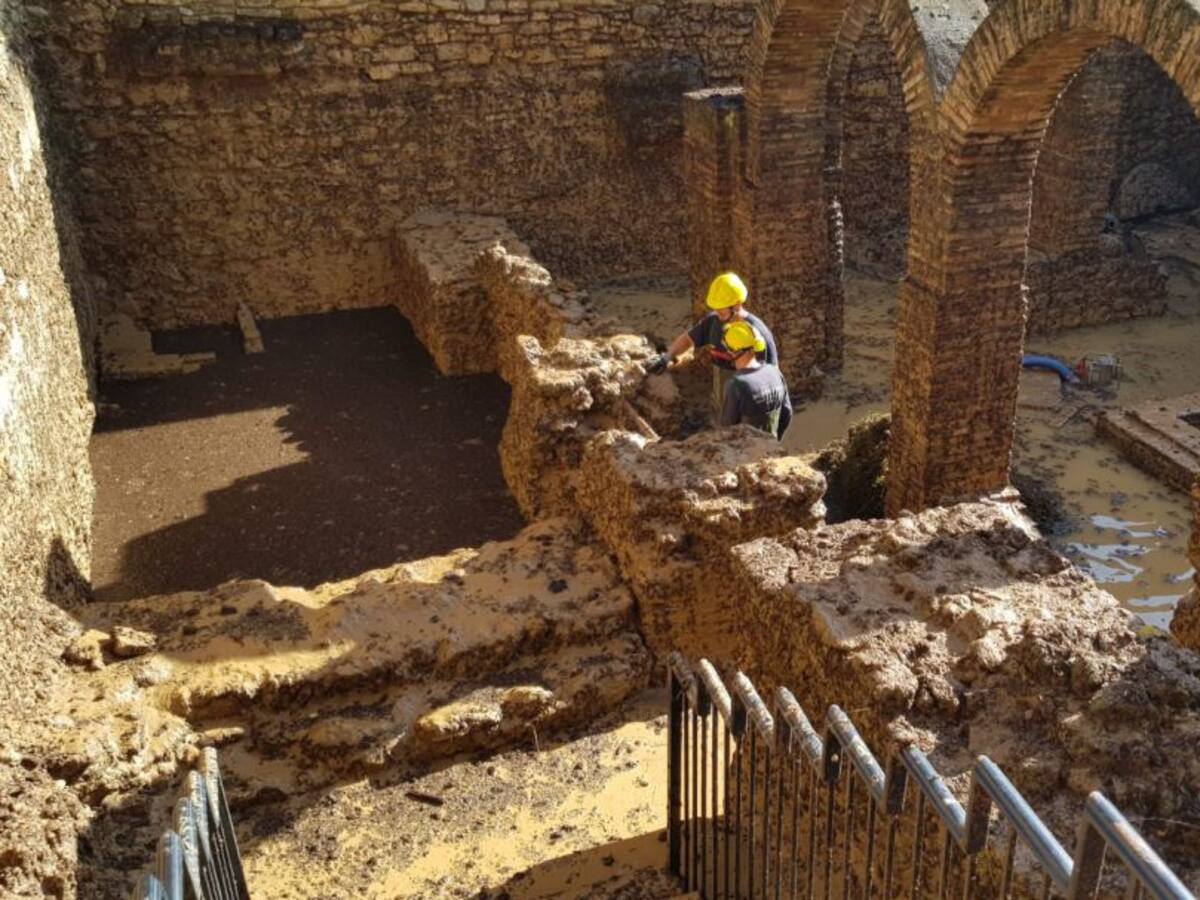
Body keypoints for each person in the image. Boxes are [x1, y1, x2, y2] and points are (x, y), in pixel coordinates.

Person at [646, 272, 779, 418]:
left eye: (721, 309)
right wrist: (667, 356)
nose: (717, 312)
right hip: (721, 386)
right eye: (716, 308)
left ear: (737, 305)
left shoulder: (758, 333)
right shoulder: (714, 322)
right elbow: (688, 339)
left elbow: (771, 378)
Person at [717, 321, 792, 440]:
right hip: (771, 447)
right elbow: (787, 414)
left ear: (733, 351)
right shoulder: (775, 372)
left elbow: (727, 428)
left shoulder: (736, 385)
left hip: (746, 453)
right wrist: (775, 442)